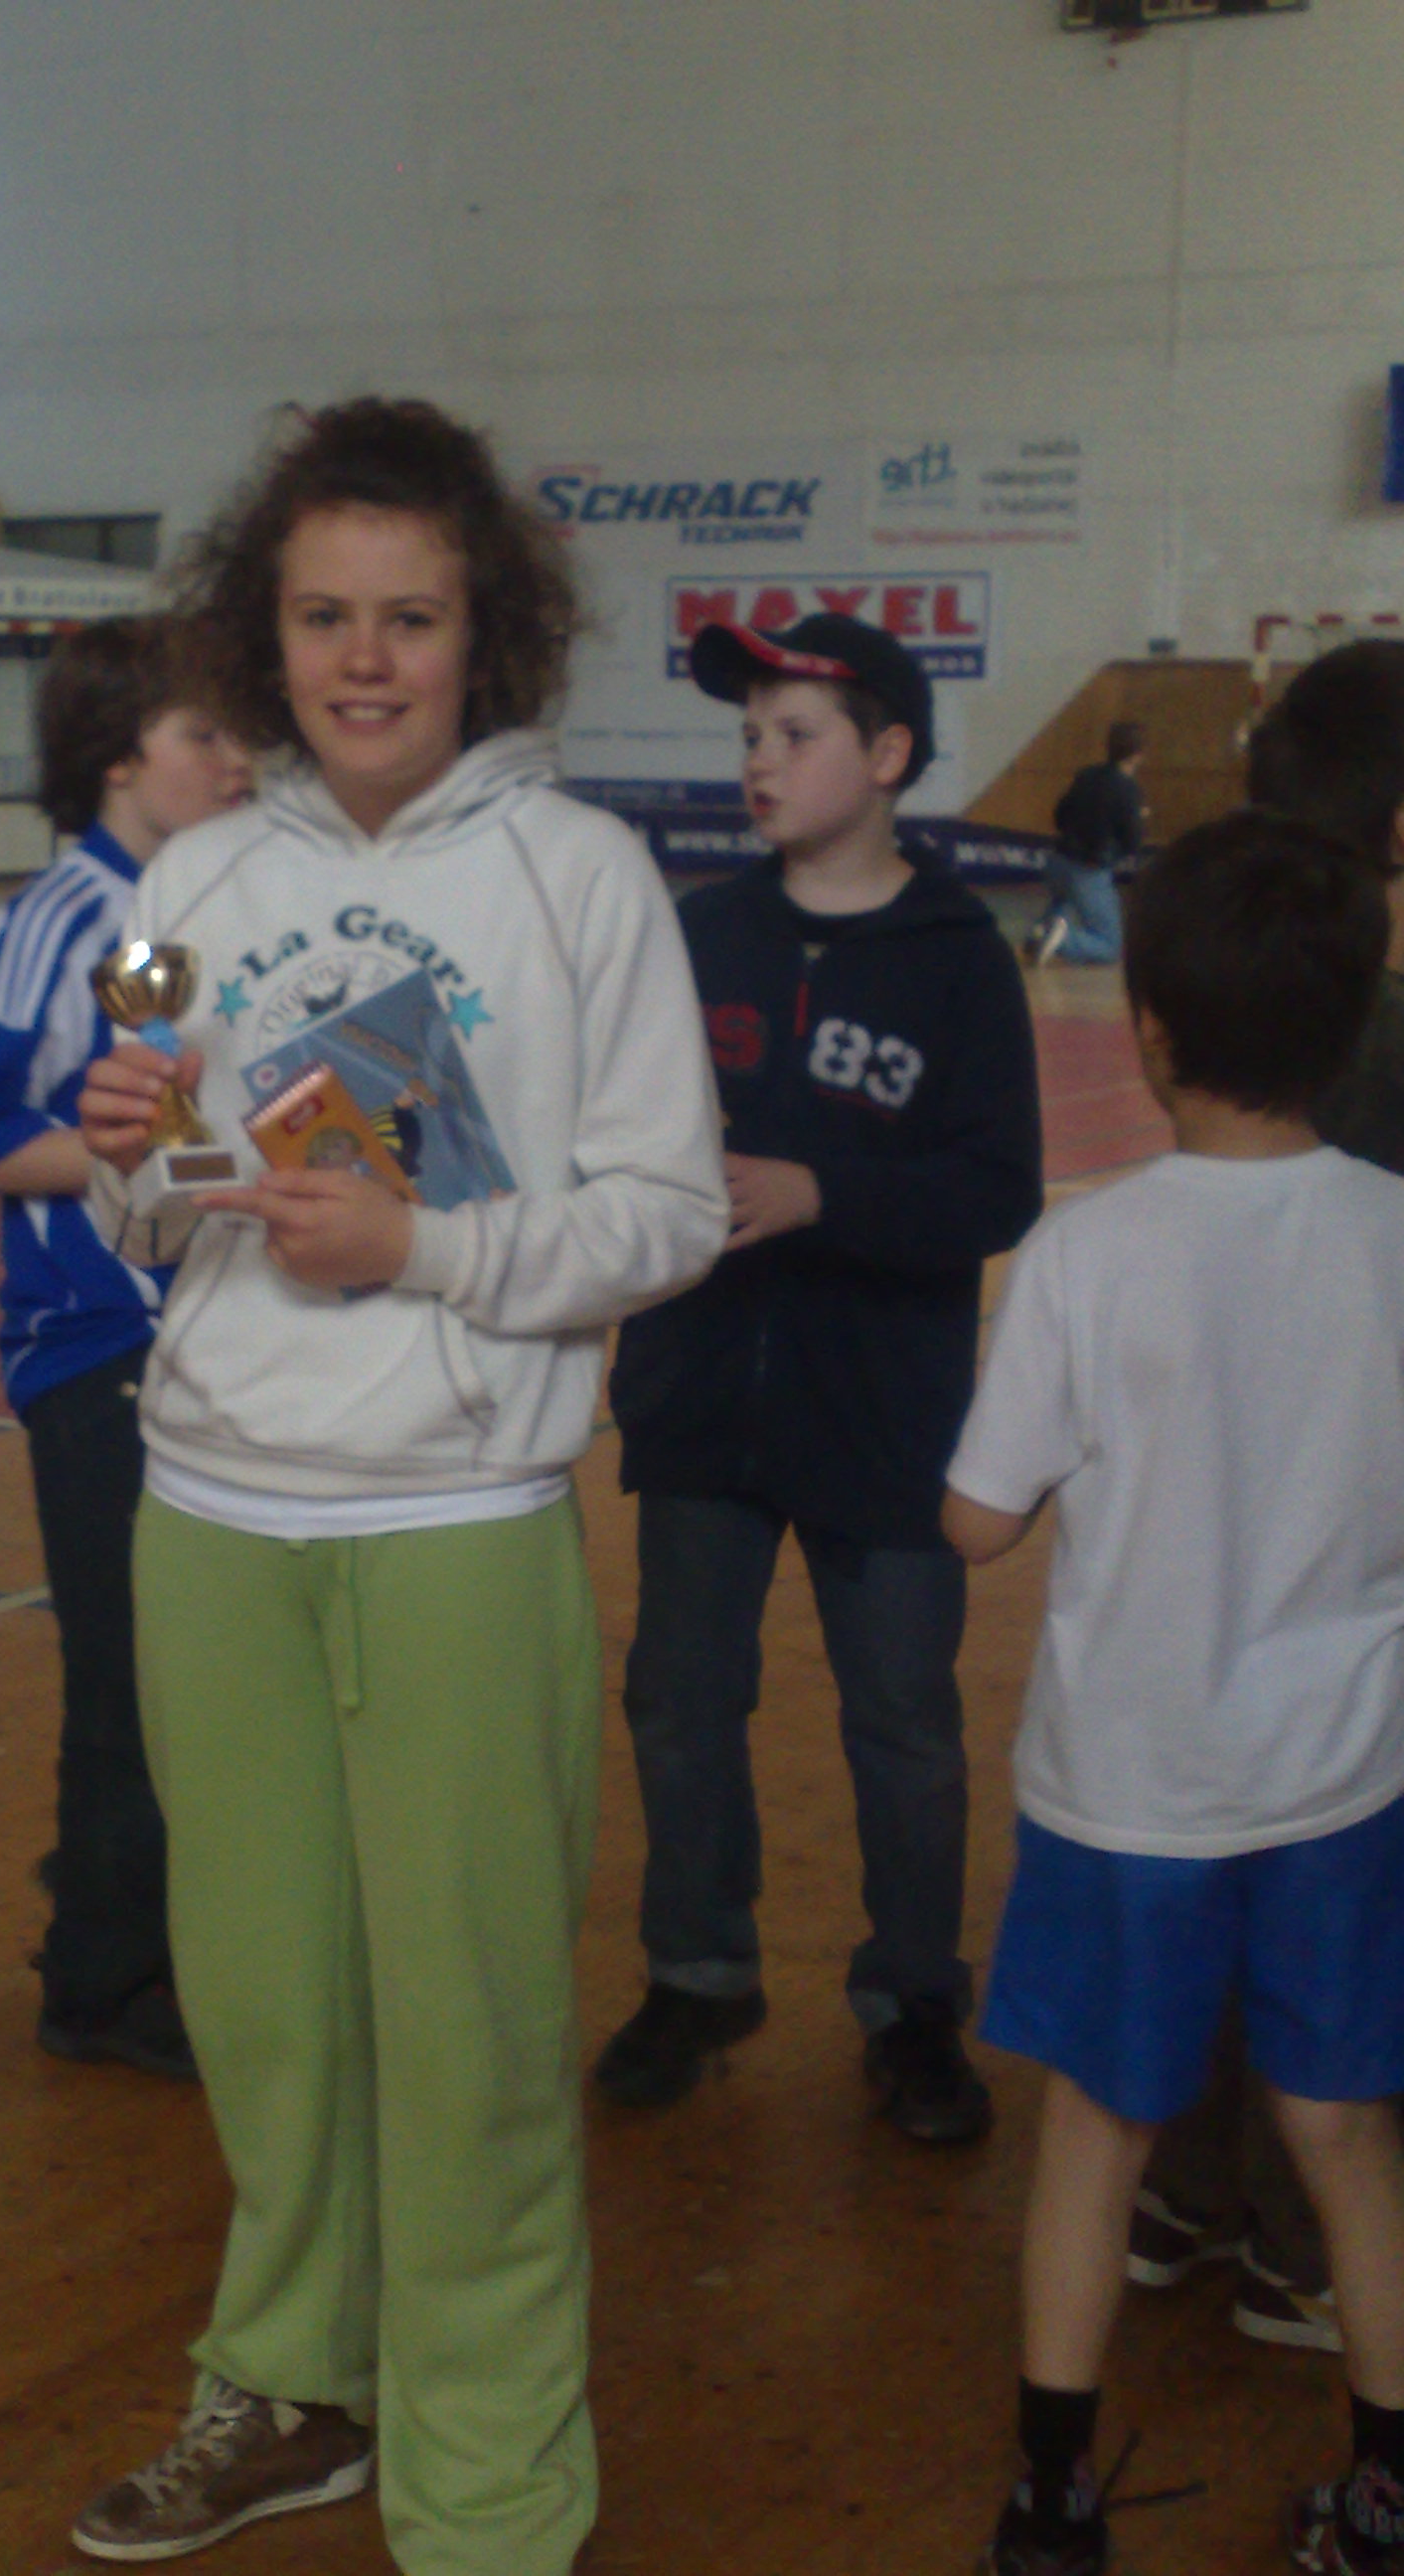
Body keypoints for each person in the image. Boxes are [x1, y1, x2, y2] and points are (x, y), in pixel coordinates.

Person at [69, 398, 726, 2575]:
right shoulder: (181, 880)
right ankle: (291, 2380)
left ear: (483, 630)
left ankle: (490, 2486)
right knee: (266, 2015)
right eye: (323, 615)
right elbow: (136, 1195)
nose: (364, 658)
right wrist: (131, 1144)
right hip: (210, 1513)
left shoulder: (581, 877)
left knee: (472, 2039)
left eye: (410, 617)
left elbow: (668, 1211)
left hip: (452, 1525)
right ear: (263, 632)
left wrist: (423, 1246)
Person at [947, 810, 1404, 2576]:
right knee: (1343, 2131)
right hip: (1341, 1775)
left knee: (1099, 2126)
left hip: (1128, 1787)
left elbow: (979, 1521)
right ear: (1351, 1020)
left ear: (1145, 1030)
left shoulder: (1089, 1252)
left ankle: (1049, 2502)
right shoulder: (1395, 1235)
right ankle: (1384, 2500)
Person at [598, 611, 1042, 2137]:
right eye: (749, 737)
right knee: (679, 1701)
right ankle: (698, 1971)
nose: (760, 761)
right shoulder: (698, 933)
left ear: (890, 754)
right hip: (702, 1400)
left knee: (905, 1723)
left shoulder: (959, 959)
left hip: (885, 1419)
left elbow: (999, 1191)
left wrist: (820, 1194)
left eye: (795, 735)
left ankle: (915, 2005)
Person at [1128, 638, 1404, 2358]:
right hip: (1351, 1560)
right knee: (1338, 1887)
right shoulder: (1366, 1025)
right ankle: (1301, 2235)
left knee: (1223, 1847)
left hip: (1209, 1553)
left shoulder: (1251, 998)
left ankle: (1185, 2185)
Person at [0, 617, 249, 2075]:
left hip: (202, 1347)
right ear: (122, 756)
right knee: (126, 1681)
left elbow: (172, 1117)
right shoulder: (63, 916)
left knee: (193, 1679)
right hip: (94, 1354)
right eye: (207, 735)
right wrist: (174, 1166)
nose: (239, 761)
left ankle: (134, 1918)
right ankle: (102, 1985)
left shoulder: (165, 917)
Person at [1026, 718, 1146, 966]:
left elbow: (1060, 815)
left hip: (1058, 860)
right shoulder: (1128, 790)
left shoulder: (1087, 775)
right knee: (1110, 945)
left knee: (1062, 900)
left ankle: (1039, 933)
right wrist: (1139, 817)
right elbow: (1132, 841)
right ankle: (1062, 941)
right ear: (1138, 755)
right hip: (1089, 869)